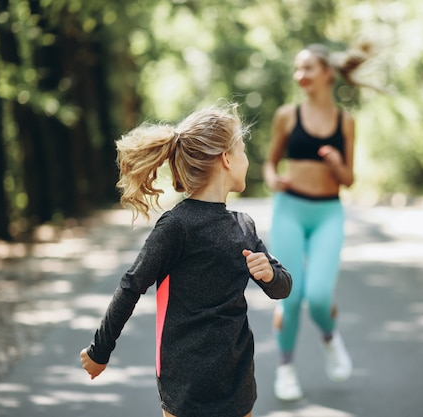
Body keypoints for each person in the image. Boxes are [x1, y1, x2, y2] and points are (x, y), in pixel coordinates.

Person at [79, 103, 292, 417]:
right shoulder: (177, 226)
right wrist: (100, 350)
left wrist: (271, 274)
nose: (247, 160)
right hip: (185, 382)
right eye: (243, 150)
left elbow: (282, 288)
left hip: (237, 379)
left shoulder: (243, 225)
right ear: (227, 159)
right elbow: (131, 285)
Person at [263, 40, 380, 401]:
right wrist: (272, 179)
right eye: (297, 69)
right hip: (290, 210)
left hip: (328, 213)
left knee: (317, 296)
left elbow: (348, 179)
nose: (300, 76)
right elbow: (270, 163)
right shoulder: (286, 115)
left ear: (327, 73)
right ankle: (286, 368)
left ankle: (329, 337)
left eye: (308, 69)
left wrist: (335, 164)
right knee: (290, 294)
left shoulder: (345, 121)